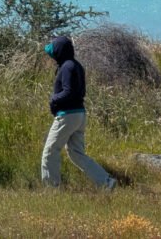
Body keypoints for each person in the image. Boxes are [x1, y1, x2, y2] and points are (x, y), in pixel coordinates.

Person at [41, 35, 116, 190]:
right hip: (79, 115)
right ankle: (106, 182)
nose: (52, 55)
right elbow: (79, 92)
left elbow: (69, 92)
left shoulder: (67, 67)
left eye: (54, 50)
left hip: (67, 116)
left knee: (50, 151)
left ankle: (51, 189)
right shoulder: (75, 65)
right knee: (76, 153)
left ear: (60, 51)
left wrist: (54, 99)